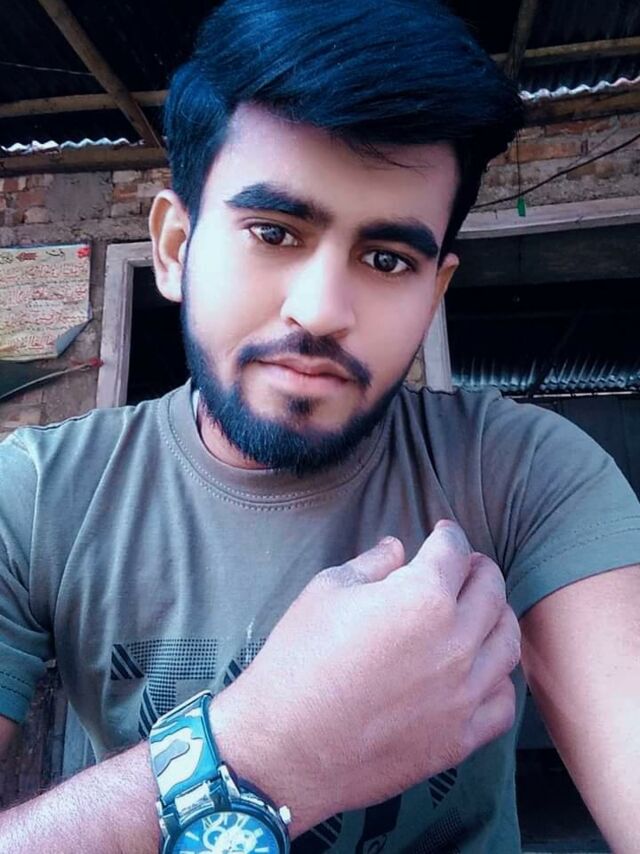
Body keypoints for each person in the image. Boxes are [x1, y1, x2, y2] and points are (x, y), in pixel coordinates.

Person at [1, 0, 639, 851]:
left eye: (387, 259)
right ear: (175, 248)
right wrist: (256, 752)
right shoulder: (37, 496)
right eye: (274, 232)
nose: (323, 309)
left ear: (434, 293)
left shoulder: (526, 474)